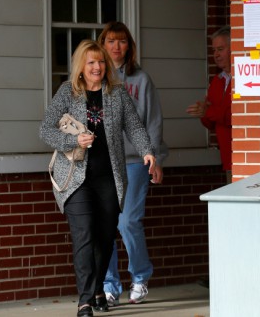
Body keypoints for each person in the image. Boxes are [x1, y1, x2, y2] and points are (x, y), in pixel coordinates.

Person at [39, 39, 156, 317]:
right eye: (91, 62)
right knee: (84, 235)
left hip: (109, 177)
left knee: (104, 239)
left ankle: (97, 291)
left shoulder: (116, 93)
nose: (97, 67)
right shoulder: (68, 92)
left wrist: (147, 152)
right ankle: (85, 301)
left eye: (101, 61)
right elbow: (45, 130)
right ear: (81, 65)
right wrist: (73, 139)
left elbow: (135, 127)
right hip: (76, 178)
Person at [97, 21, 168, 306]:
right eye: (111, 41)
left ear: (130, 45)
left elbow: (153, 121)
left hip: (136, 161)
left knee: (127, 221)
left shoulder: (141, 80)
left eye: (122, 41)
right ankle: (110, 285)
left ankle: (140, 277)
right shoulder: (95, 76)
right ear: (102, 45)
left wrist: (156, 159)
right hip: (102, 164)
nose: (116, 47)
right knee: (104, 224)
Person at [186, 25, 232, 181]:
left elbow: (238, 117)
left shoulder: (247, 78)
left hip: (246, 156)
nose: (216, 54)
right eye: (214, 50)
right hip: (227, 158)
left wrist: (209, 112)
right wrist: (202, 112)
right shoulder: (217, 81)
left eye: (220, 49)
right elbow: (211, 124)